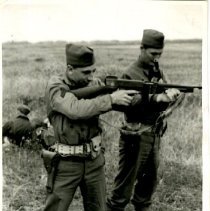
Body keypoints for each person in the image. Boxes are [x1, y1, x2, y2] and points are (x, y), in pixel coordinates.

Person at [43, 43, 138, 211]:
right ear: (70, 69)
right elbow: (75, 110)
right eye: (86, 72)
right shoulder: (55, 87)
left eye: (93, 71)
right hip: (66, 163)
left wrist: (153, 98)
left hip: (94, 162)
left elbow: (121, 103)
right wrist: (110, 99)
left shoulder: (94, 83)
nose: (91, 77)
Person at [106, 29, 181, 211]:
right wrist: (156, 98)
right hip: (135, 135)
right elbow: (125, 102)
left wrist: (171, 97)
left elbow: (166, 92)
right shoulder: (130, 74)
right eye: (153, 53)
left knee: (147, 188)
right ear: (141, 48)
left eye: (160, 54)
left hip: (153, 134)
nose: (157, 58)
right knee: (122, 190)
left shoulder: (156, 70)